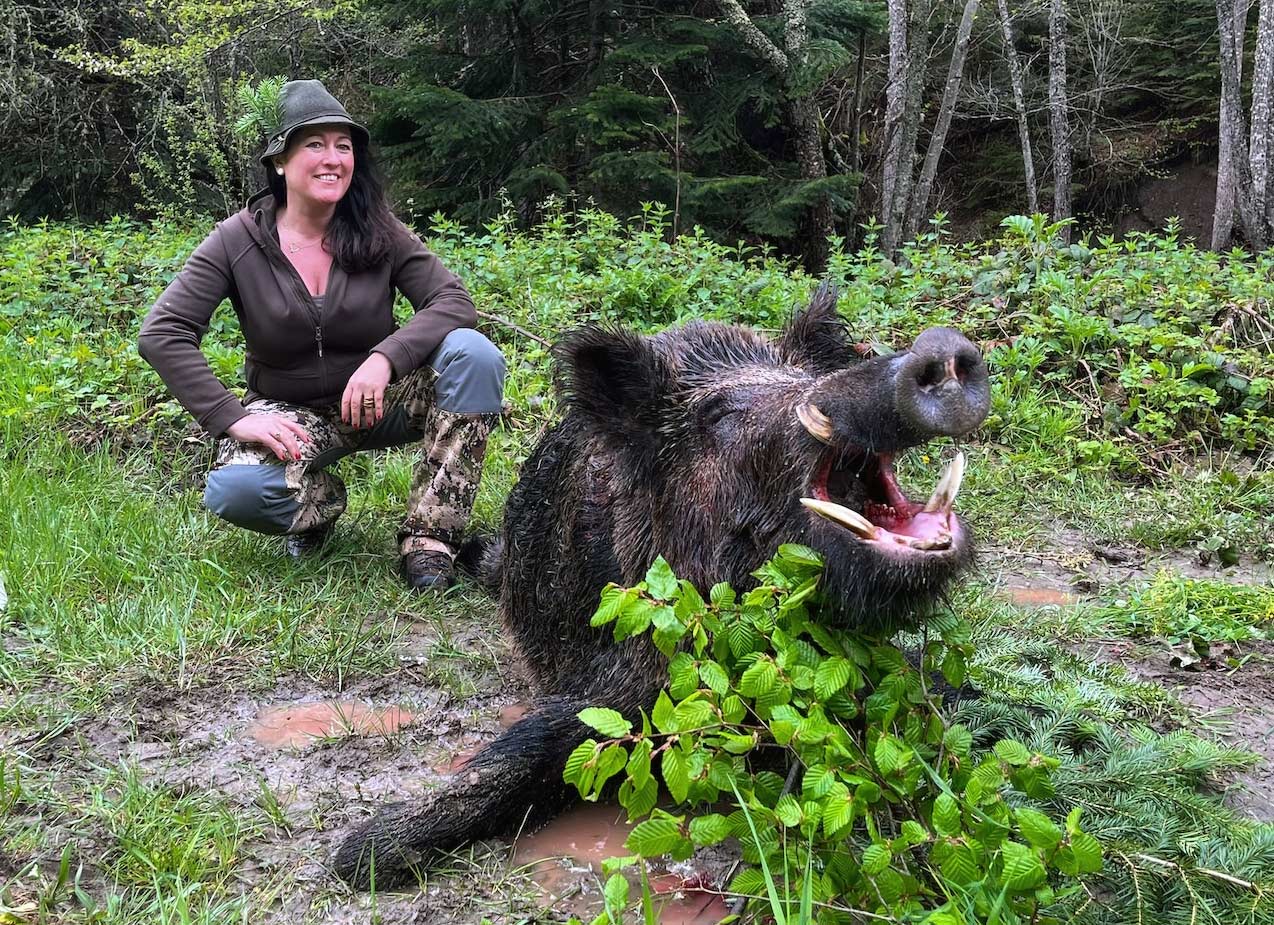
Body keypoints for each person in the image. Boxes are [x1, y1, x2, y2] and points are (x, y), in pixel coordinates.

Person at [138, 79, 506, 591]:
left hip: (383, 399)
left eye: (343, 145)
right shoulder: (237, 240)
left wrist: (384, 360)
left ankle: (430, 537)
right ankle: (321, 505)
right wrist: (231, 417)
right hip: (294, 413)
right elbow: (164, 331)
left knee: (475, 353)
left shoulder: (379, 227)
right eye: (314, 144)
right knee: (237, 491)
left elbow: (453, 302)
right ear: (280, 161)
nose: (332, 158)